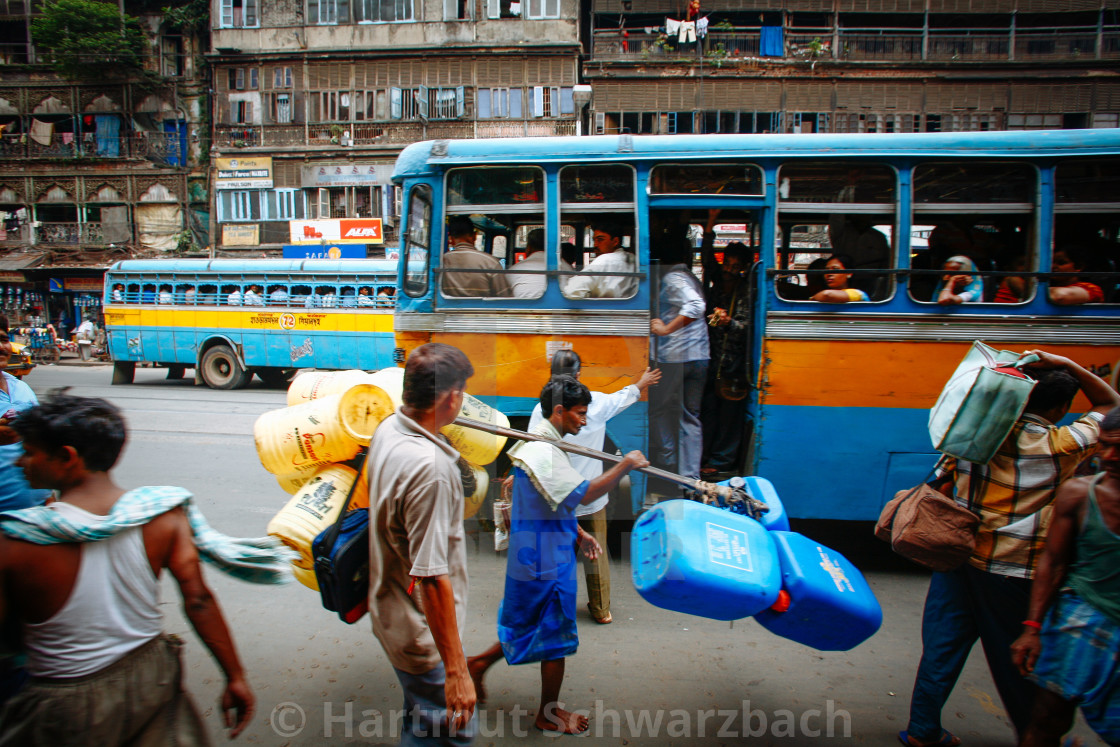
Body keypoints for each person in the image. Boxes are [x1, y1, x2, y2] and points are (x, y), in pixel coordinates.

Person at [0, 393, 292, 744]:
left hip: (64, 700)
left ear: (66, 457)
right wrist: (235, 676)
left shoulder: (15, 543)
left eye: (29, 452)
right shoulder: (162, 516)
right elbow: (198, 600)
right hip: (153, 678)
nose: (18, 463)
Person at [901, 350, 1120, 747]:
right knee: (1014, 659)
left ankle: (922, 730)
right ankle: (1032, 736)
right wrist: (1069, 365)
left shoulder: (975, 434)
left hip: (958, 555)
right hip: (1012, 570)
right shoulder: (1062, 444)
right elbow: (1111, 405)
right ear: (1060, 408)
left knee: (941, 646)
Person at [468, 376, 649, 734]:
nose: (584, 421)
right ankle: (547, 714)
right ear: (560, 411)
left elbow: (548, 500)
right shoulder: (543, 452)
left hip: (536, 553)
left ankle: (478, 664)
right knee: (555, 639)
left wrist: (578, 532)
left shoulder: (541, 444)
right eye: (581, 414)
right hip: (545, 563)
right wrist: (624, 465)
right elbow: (583, 495)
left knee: (528, 626)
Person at [366, 343, 479, 745]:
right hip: (421, 636)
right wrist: (457, 671)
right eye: (462, 391)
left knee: (422, 726)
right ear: (451, 398)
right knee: (449, 734)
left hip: (389, 613)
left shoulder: (388, 428)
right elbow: (430, 577)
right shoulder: (430, 471)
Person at [1011, 406, 1120, 746]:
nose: (1110, 457)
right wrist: (1032, 628)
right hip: (1079, 621)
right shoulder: (1079, 494)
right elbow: (1053, 563)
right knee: (1047, 718)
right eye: (1104, 445)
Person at [527, 350, 661, 624]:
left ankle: (549, 609)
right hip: (591, 498)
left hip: (558, 500)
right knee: (596, 554)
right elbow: (623, 398)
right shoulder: (595, 404)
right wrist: (642, 383)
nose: (583, 419)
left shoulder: (540, 412)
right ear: (578, 376)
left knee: (554, 556)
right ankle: (601, 610)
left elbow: (532, 451)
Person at [649, 230, 709, 497]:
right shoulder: (690, 276)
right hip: (699, 356)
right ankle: (689, 480)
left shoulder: (673, 278)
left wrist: (665, 330)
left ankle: (668, 462)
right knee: (689, 417)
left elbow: (696, 306)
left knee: (659, 409)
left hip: (676, 357)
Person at [701, 242, 752, 478]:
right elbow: (707, 261)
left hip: (733, 362)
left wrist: (728, 322)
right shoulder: (718, 286)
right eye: (727, 264)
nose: (729, 270)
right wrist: (709, 226)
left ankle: (722, 463)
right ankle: (707, 456)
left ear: (744, 269)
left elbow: (745, 327)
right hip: (712, 359)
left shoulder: (744, 292)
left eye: (735, 266)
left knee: (729, 415)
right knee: (710, 411)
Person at [0, 322, 49, 512]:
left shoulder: (21, 387)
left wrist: (47, 496)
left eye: (4, 340)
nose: (2, 347)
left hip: (34, 510)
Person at [441, 216, 512, 298]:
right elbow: (504, 298)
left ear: (451, 239)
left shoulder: (442, 261)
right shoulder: (491, 262)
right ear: (475, 236)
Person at [564, 222, 638, 299]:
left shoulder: (604, 260)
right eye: (594, 240)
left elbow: (571, 292)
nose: (595, 245)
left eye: (600, 240)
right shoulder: (632, 258)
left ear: (615, 241)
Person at [827, 214, 890, 297]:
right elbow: (836, 216)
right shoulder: (841, 232)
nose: (862, 217)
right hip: (845, 277)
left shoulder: (879, 237)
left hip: (870, 278)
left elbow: (886, 262)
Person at [508, 228, 572, 299]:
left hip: (523, 309)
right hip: (561, 309)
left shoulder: (514, 269)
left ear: (528, 248)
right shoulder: (567, 267)